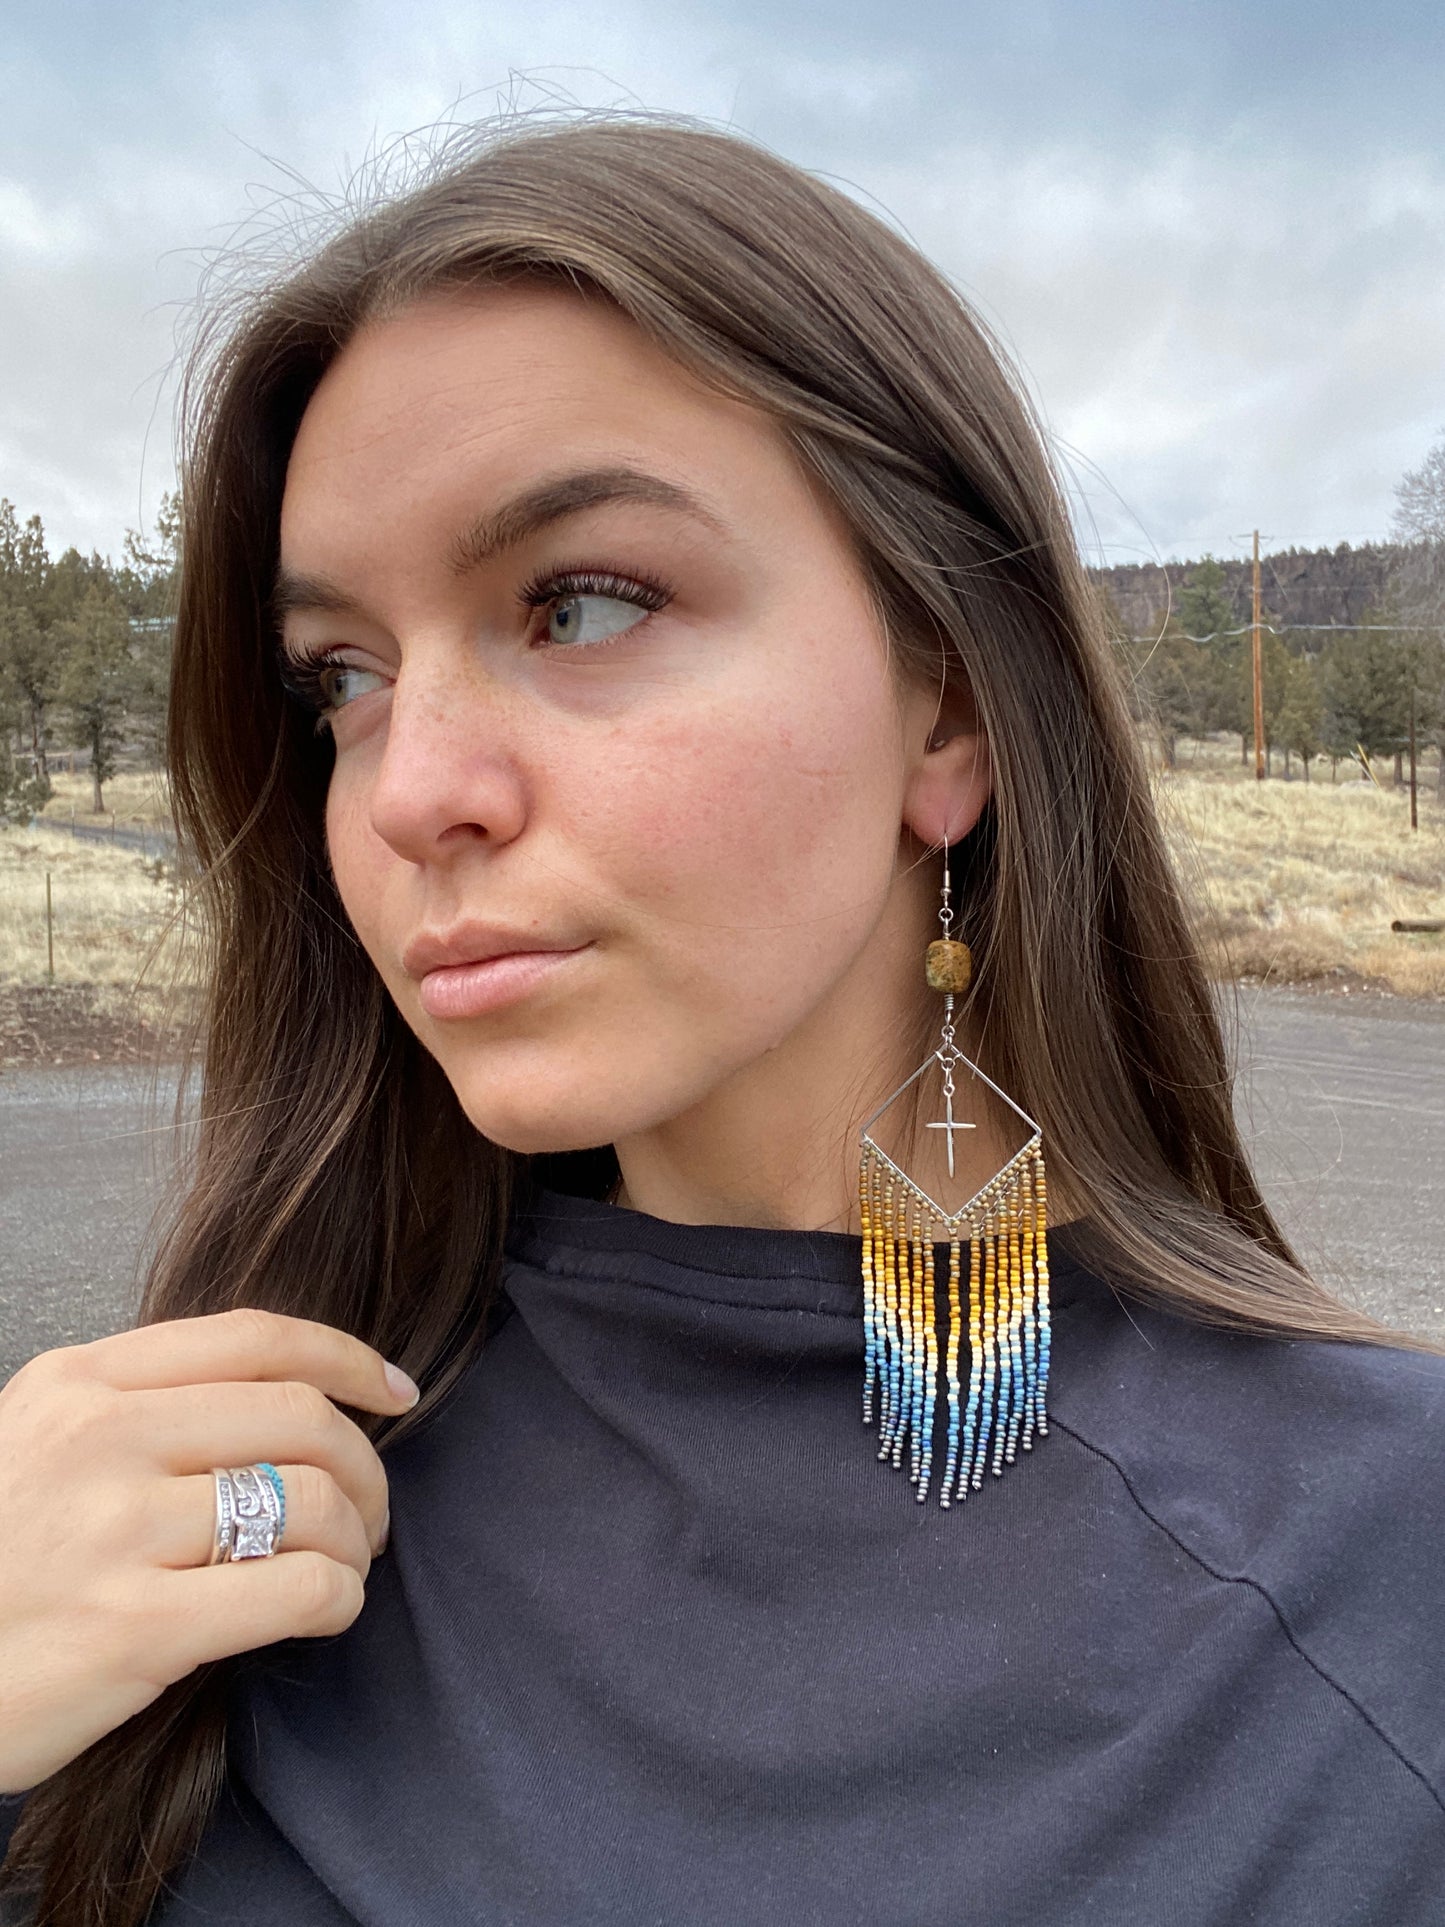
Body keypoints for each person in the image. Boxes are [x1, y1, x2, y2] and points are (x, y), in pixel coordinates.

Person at [1, 112, 1442, 1927]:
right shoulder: (202, 1451)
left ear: (945, 716)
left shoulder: (1381, 1577)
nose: (403, 791)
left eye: (583, 603)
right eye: (340, 679)